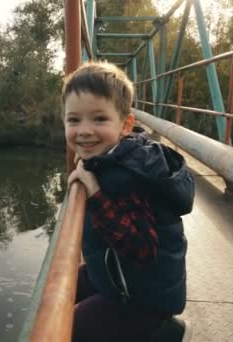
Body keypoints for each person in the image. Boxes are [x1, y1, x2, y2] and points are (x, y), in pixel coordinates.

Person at [62, 61, 195, 342]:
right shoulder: (117, 156)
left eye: (99, 119)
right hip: (125, 278)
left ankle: (161, 332)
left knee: (69, 329)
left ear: (126, 125)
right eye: (74, 120)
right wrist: (89, 160)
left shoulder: (128, 176)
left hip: (143, 298)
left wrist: (96, 194)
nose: (84, 130)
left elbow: (142, 248)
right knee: (58, 290)